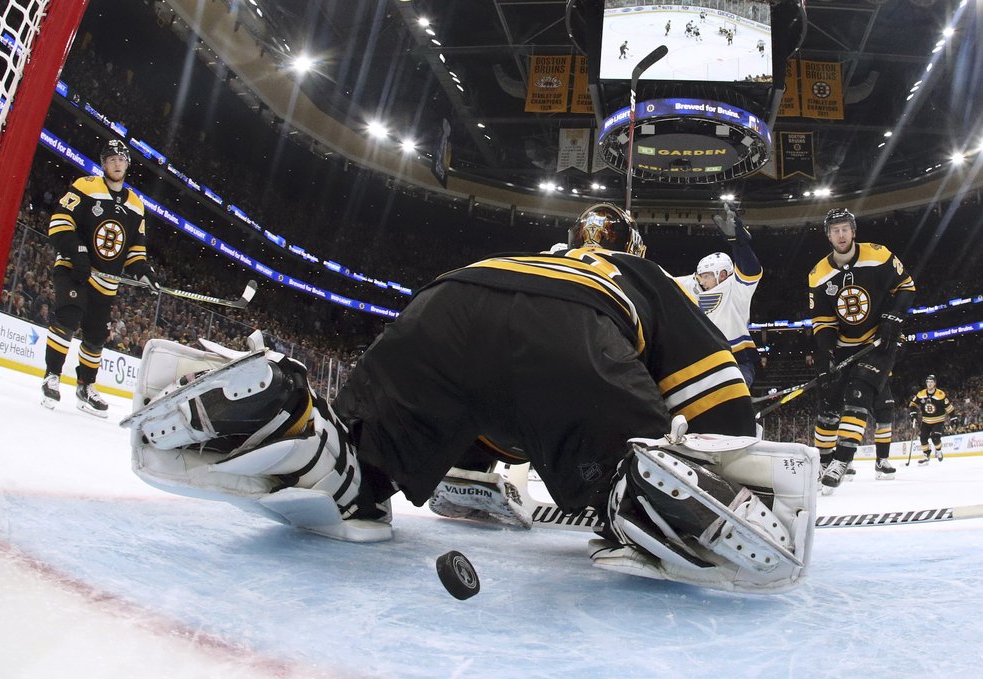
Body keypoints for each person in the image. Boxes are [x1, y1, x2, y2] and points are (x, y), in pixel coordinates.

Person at [124, 203, 817, 594]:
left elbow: (492, 392)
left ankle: (293, 423)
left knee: (365, 471)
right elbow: (716, 393)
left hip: (448, 298)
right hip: (572, 328)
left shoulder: (531, 257)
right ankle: (650, 500)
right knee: (632, 471)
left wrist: (467, 469)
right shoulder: (638, 271)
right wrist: (724, 449)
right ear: (632, 245)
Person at [41, 139, 160, 417]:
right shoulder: (86, 186)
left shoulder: (135, 204)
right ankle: (52, 375)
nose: (117, 163)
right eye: (111, 159)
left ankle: (85, 386)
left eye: (121, 159)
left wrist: (144, 271)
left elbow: (135, 250)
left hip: (106, 280)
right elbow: (59, 224)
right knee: (68, 317)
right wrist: (78, 252)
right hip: (73, 268)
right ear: (103, 163)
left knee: (96, 335)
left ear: (127, 164)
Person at [808, 208, 915, 492]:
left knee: (859, 392)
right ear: (828, 235)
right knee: (829, 406)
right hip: (845, 347)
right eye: (835, 230)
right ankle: (823, 461)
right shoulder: (818, 274)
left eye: (845, 229)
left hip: (880, 342)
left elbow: (907, 286)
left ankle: (843, 460)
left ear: (854, 231)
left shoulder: (879, 255)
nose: (841, 234)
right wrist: (825, 353)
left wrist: (895, 316)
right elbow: (824, 321)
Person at [675, 203, 762, 386]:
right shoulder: (695, 284)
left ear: (722, 275)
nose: (702, 280)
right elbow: (661, 279)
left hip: (737, 361)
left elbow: (751, 269)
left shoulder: (735, 287)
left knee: (733, 395)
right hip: (704, 360)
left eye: (706, 276)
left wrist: (739, 243)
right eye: (700, 276)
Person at [908, 374, 956, 464]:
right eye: (928, 382)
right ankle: (926, 455)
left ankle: (938, 450)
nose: (929, 384)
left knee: (935, 438)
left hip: (938, 420)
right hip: (926, 421)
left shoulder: (940, 394)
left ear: (935, 383)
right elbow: (912, 404)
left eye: (931, 382)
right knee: (923, 439)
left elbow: (948, 407)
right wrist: (913, 414)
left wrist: (953, 417)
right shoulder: (921, 394)